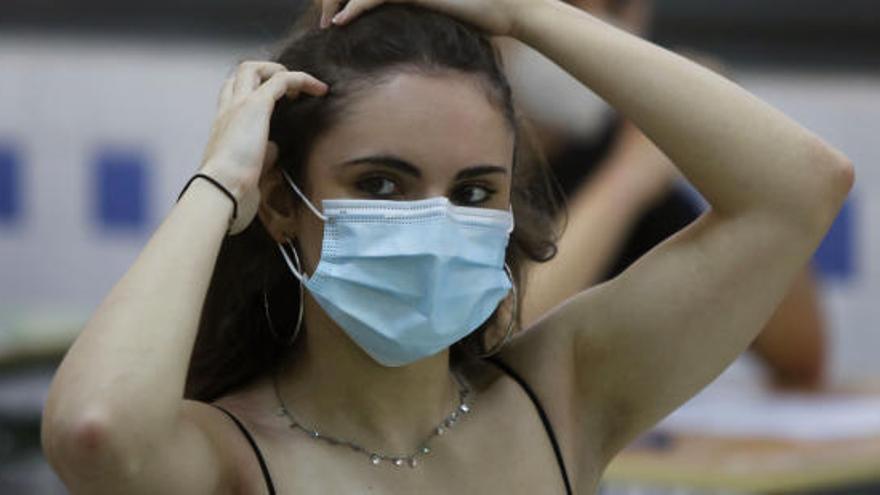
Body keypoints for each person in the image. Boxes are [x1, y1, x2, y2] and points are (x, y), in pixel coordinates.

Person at [41, 1, 853, 494]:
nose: (432, 226)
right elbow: (95, 429)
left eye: (472, 192)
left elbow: (801, 188)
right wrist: (220, 179)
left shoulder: (564, 394)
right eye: (382, 185)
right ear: (285, 203)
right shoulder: (228, 455)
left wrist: (523, 11)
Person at [506, 0, 827, 389]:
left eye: (616, 6)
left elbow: (799, 358)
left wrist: (744, 170)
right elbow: (508, 340)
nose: (592, 23)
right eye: (568, 4)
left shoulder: (621, 156)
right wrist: (627, 179)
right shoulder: (456, 159)